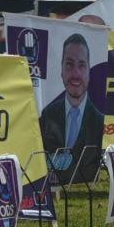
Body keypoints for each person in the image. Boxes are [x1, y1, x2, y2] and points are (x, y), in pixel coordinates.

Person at [38, 32, 104, 185]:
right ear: (61, 70)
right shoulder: (47, 115)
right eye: (69, 64)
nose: (75, 73)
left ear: (89, 72)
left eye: (82, 65)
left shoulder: (101, 124)